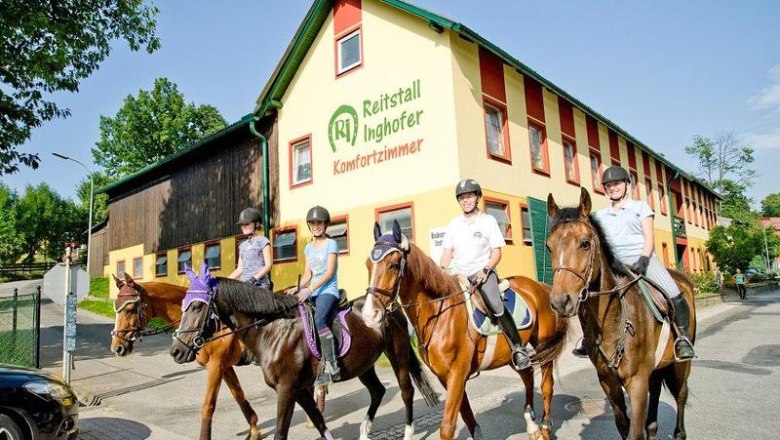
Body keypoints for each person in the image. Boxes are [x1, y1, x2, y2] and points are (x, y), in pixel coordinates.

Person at [592, 166, 695, 360]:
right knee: (590, 295)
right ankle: (587, 338)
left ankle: (683, 338)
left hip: (642, 260)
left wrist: (643, 259)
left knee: (673, 292)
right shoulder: (599, 215)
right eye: (609, 185)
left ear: (626, 184)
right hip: (614, 265)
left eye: (617, 183)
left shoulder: (640, 208)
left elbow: (649, 238)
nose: (613, 187)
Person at [439, 178, 531, 370]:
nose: (466, 200)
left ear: (478, 197)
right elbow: (447, 252)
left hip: (483, 273)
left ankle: (518, 347)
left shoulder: (488, 221)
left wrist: (485, 270)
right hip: (459, 275)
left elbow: (496, 252)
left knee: (495, 303)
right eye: (462, 197)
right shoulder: (454, 224)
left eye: (469, 196)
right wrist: (443, 270)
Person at [286, 206, 341, 385]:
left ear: (325, 224)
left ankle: (333, 366)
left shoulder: (331, 244)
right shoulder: (308, 248)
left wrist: (309, 290)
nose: (316, 226)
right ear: (309, 225)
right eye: (313, 223)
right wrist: (297, 287)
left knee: (318, 320)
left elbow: (328, 273)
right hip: (312, 290)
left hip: (328, 291)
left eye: (319, 222)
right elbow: (308, 274)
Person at [228, 207, 272, 288]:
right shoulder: (242, 245)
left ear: (257, 224)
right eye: (242, 225)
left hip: (260, 285)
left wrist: (253, 279)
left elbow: (268, 265)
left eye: (247, 224)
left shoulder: (263, 241)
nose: (243, 227)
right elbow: (239, 269)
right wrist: (223, 280)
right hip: (244, 286)